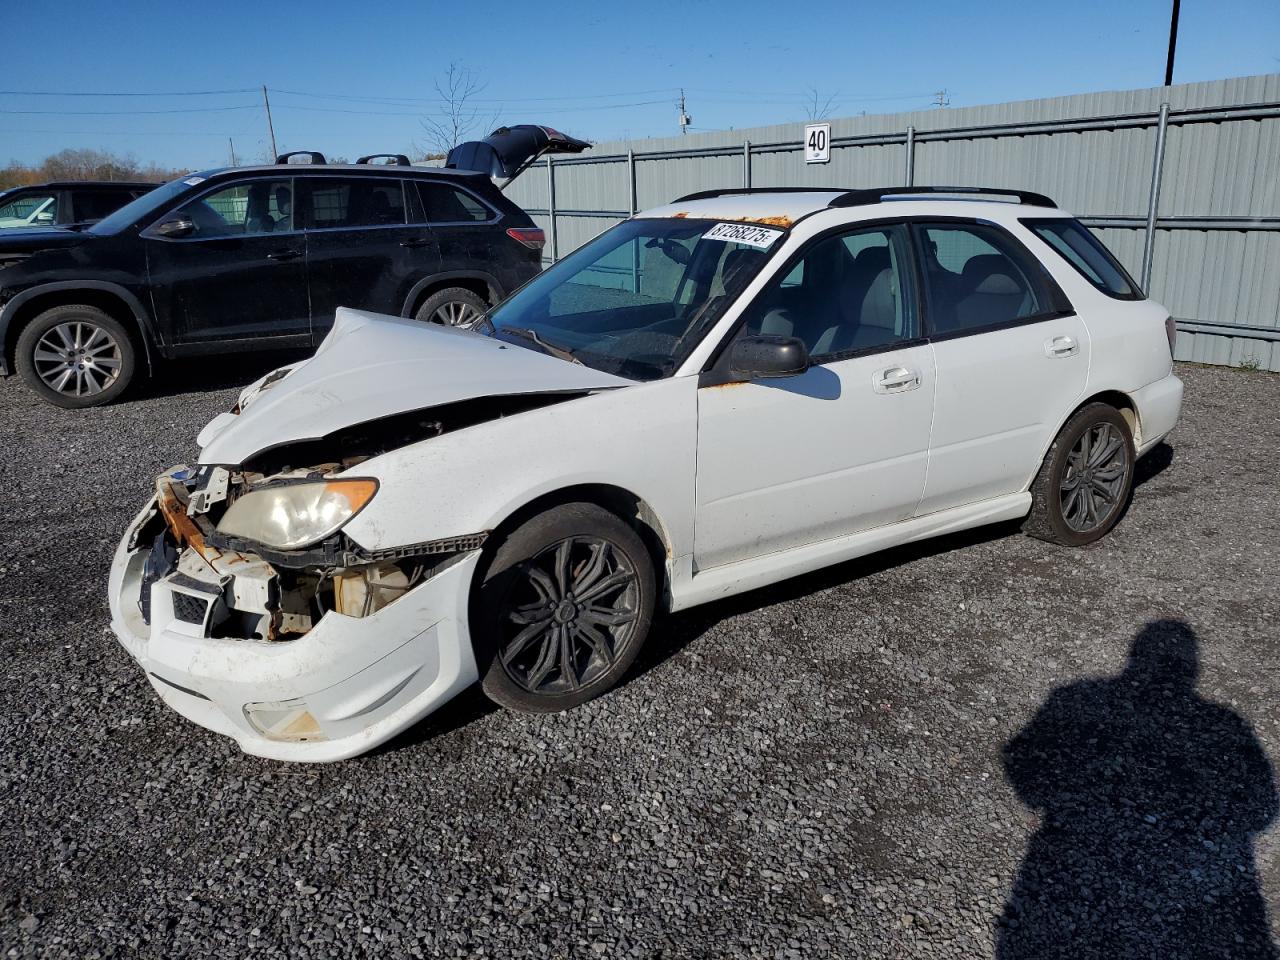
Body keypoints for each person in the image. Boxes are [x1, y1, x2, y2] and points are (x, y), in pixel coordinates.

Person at [999, 620, 1277, 959]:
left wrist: (1049, 798)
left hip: (1065, 851)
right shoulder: (1222, 721)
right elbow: (1261, 807)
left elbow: (1020, 759)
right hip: (1177, 879)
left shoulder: (1079, 694)